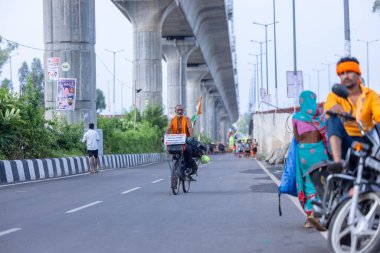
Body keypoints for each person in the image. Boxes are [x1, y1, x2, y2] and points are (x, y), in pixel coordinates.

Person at [325, 57, 380, 168]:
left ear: (358, 74)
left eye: (349, 72)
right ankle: (338, 163)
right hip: (344, 139)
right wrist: (335, 109)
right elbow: (330, 107)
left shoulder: (371, 95)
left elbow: (378, 112)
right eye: (342, 73)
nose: (345, 76)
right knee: (332, 120)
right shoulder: (335, 95)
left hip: (366, 138)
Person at [293, 90, 328, 231]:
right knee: (321, 182)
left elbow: (296, 138)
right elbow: (327, 134)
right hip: (319, 152)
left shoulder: (296, 117)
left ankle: (309, 217)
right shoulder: (320, 116)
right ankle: (318, 213)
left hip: (304, 154)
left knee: (308, 182)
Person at [165, 105, 196, 180]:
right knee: (172, 150)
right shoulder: (172, 120)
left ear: (183, 111)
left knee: (188, 150)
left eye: (181, 110)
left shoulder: (187, 119)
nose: (180, 111)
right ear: (175, 111)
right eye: (178, 110)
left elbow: (189, 128)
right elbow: (169, 129)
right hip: (175, 141)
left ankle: (188, 167)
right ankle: (176, 167)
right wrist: (165, 136)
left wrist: (191, 137)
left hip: (185, 141)